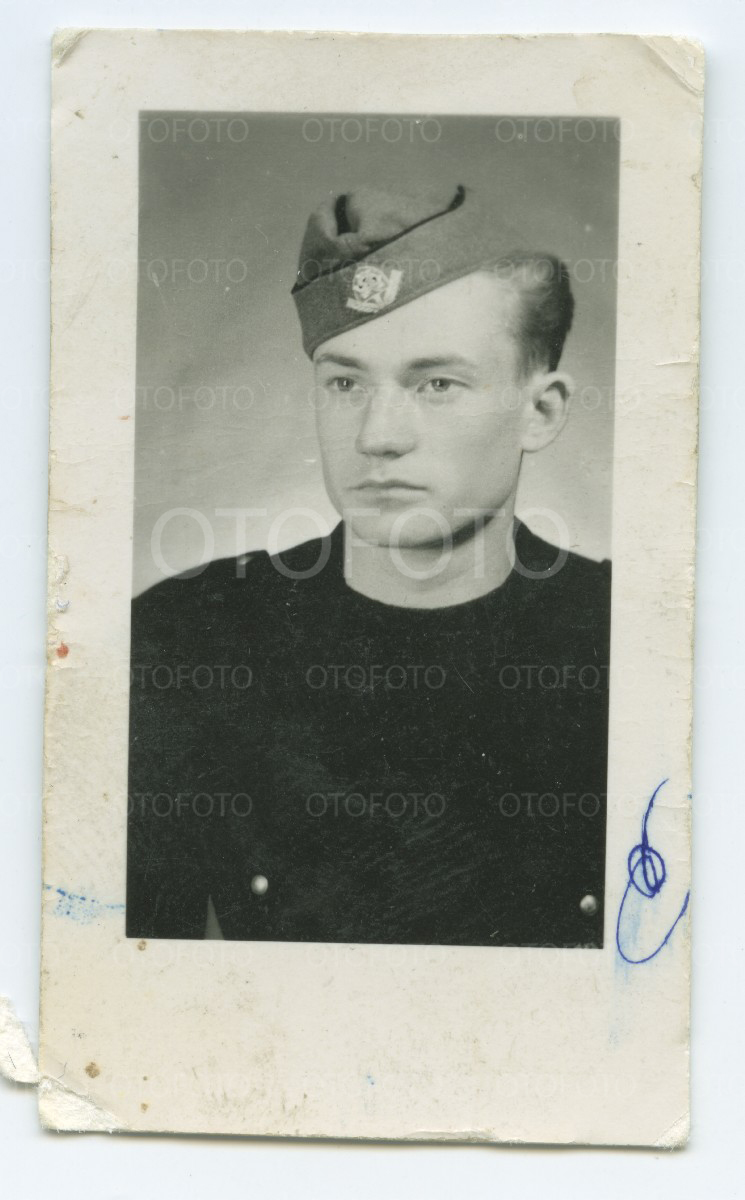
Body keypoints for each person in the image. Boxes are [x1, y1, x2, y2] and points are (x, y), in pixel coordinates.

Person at [127, 182, 611, 948]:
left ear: (540, 411)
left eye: (437, 384)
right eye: (345, 382)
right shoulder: (188, 639)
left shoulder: (624, 640)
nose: (378, 436)